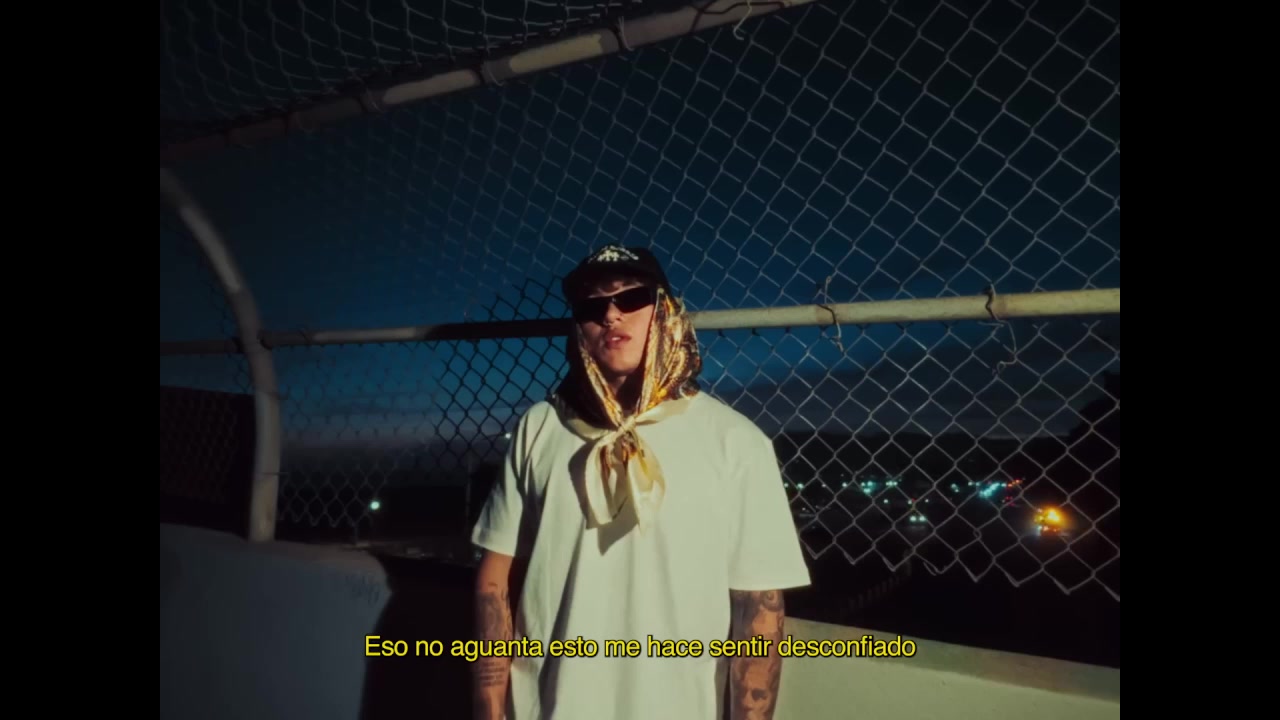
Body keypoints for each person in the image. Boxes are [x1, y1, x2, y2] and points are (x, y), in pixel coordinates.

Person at [469, 244, 811, 720]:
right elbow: (495, 577)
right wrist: (488, 709)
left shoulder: (735, 441)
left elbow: (760, 610)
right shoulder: (540, 427)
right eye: (592, 306)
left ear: (665, 311)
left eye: (631, 298)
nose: (611, 314)